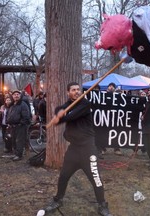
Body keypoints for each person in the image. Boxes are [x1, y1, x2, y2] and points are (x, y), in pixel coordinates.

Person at [43, 82, 112, 216]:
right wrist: (59, 112)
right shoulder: (68, 104)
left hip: (88, 149)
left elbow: (72, 116)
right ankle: (58, 199)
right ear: (68, 92)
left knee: (96, 178)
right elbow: (59, 108)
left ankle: (102, 204)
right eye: (73, 90)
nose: (76, 92)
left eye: (78, 89)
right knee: (63, 176)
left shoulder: (85, 104)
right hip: (73, 149)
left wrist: (61, 118)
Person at [6, 90, 31, 161]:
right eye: (14, 95)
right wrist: (9, 122)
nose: (16, 96)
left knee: (19, 141)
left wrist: (21, 123)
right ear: (12, 96)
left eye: (17, 94)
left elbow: (26, 116)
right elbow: (10, 115)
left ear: (20, 96)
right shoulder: (12, 105)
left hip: (20, 126)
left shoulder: (23, 105)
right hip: (13, 126)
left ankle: (19, 155)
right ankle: (16, 153)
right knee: (13, 140)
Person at [106, 82, 122, 155]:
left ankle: (116, 149)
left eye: (112, 86)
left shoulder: (118, 96)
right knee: (104, 132)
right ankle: (102, 148)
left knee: (116, 133)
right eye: (110, 86)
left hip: (115, 118)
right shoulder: (104, 95)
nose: (111, 87)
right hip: (106, 117)